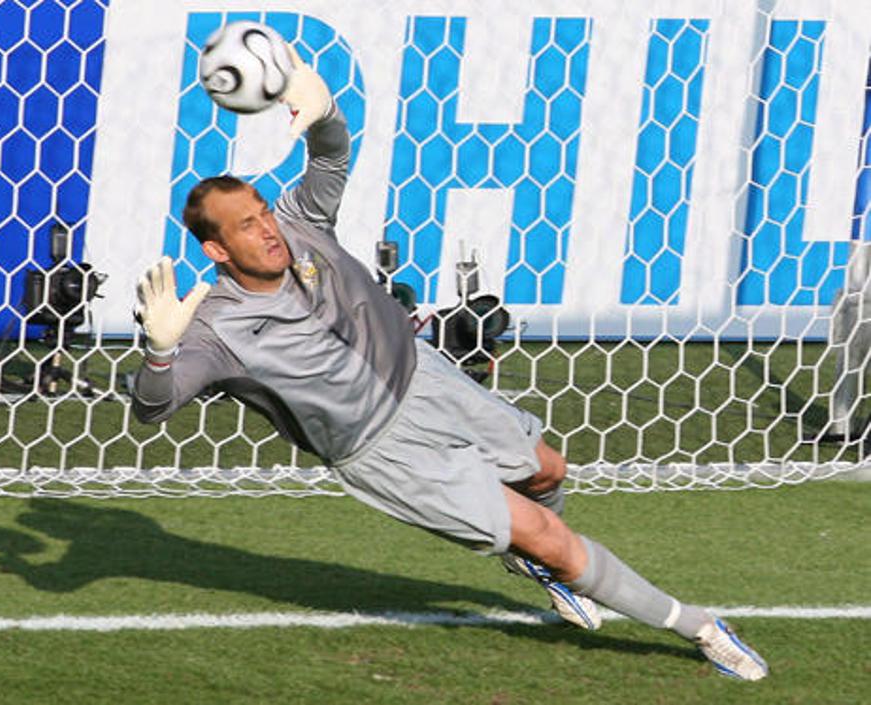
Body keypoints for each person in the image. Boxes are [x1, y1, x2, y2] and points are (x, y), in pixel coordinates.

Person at [131, 46, 768, 682]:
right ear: (217, 250)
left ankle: (544, 564)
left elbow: (330, 156)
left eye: (263, 211)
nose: (268, 229)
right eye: (246, 226)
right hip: (383, 451)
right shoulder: (215, 327)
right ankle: (703, 628)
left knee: (549, 471)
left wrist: (325, 115)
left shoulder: (302, 224)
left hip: (427, 377)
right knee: (546, 535)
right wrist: (160, 350)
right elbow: (152, 407)